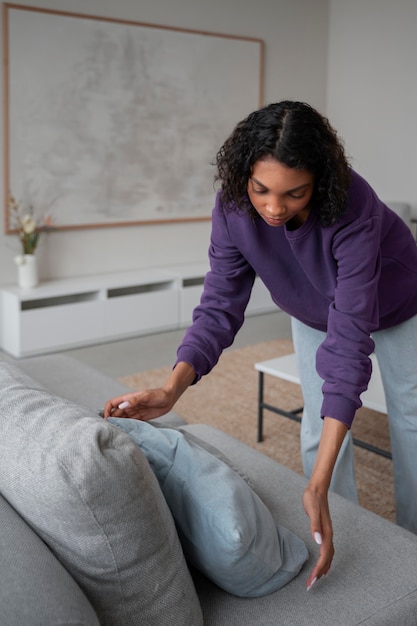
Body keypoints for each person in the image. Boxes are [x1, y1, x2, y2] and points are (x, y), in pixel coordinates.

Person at [104, 101, 417, 591]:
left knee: (412, 419)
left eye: (294, 194)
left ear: (321, 181)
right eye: (261, 190)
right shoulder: (232, 206)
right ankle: (343, 531)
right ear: (243, 177)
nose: (273, 208)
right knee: (317, 423)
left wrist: (312, 481)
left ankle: (409, 543)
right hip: (311, 306)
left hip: (399, 302)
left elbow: (350, 342)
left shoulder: (353, 204)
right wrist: (170, 391)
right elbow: (220, 303)